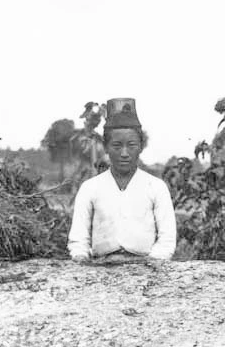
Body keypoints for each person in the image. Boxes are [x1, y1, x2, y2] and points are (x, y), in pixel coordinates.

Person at [67, 98, 177, 262]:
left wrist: (154, 260)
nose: (124, 153)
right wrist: (80, 257)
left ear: (140, 146)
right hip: (101, 267)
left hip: (146, 266)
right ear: (106, 147)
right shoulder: (90, 188)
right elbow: (79, 238)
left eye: (131, 145)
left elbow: (167, 238)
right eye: (117, 146)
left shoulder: (156, 187)